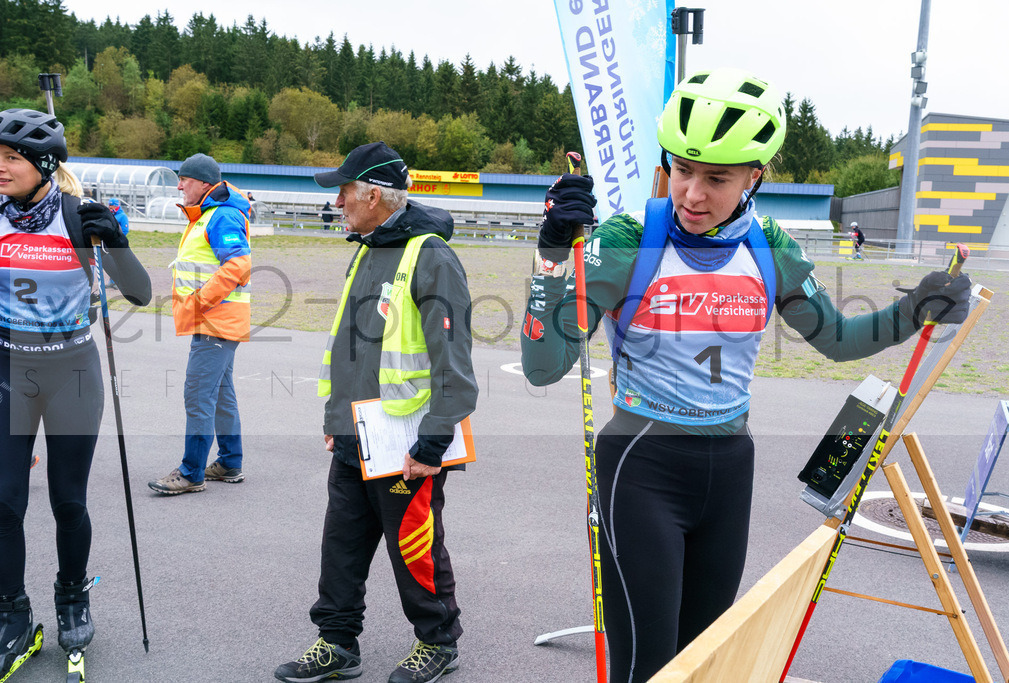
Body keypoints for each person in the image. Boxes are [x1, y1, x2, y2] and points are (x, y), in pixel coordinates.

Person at [519, 68, 972, 683]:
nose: (692, 194)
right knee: (647, 667)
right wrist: (551, 255)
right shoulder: (630, 238)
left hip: (730, 465)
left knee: (708, 661)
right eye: (682, 170)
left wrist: (914, 309)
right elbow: (545, 367)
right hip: (641, 466)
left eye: (716, 178)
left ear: (754, 177)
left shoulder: (767, 244)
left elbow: (837, 338)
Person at [274, 142, 477, 683]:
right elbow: (350, 345)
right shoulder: (364, 250)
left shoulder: (430, 255)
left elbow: (452, 365)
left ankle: (438, 641)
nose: (337, 201)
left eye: (344, 190)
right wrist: (334, 420)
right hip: (354, 435)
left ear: (373, 195)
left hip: (407, 443)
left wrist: (432, 445)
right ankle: (337, 643)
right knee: (340, 548)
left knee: (414, 545)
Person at [0, 108, 151, 679]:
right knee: (3, 501)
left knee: (69, 501)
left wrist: (114, 242)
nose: (0, 167)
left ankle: (72, 596)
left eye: (11, 158)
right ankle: (11, 614)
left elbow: (139, 292)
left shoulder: (78, 216)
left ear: (43, 164)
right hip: (9, 369)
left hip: (73, 372)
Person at [148, 153, 252, 495]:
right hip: (218, 321)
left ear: (204, 184)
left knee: (198, 396)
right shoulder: (209, 214)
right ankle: (230, 462)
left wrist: (198, 302)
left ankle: (191, 473)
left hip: (215, 322)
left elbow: (237, 265)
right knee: (221, 395)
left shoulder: (220, 215)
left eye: (185, 180)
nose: (179, 185)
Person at [105, 198, 129, 287]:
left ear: (116, 206)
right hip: (110, 243)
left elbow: (125, 230)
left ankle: (119, 282)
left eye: (112, 207)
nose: (110, 209)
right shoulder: (110, 215)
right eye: (109, 207)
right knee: (111, 262)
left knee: (119, 262)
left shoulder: (122, 216)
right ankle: (112, 281)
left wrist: (117, 239)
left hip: (118, 243)